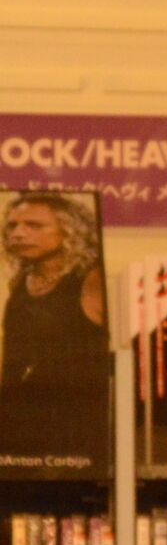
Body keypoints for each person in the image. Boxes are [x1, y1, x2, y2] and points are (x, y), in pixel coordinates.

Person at [0, 191, 108, 457]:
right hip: (22, 425)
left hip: (75, 432)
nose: (18, 234)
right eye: (12, 226)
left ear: (70, 231)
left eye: (34, 225)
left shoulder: (91, 280)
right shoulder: (23, 280)